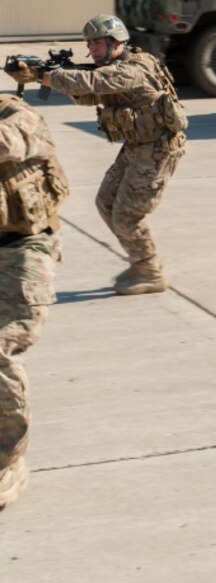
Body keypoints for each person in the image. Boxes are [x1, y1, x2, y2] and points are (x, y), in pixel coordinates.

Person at [13, 14, 187, 295]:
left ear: (115, 42)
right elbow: (90, 94)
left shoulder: (132, 70)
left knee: (127, 215)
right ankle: (141, 262)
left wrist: (41, 75)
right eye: (90, 44)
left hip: (157, 150)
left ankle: (149, 270)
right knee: (106, 202)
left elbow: (92, 83)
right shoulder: (112, 66)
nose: (92, 50)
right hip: (136, 146)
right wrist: (48, 76)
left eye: (97, 43)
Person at [0, 93, 69, 510]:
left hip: (26, 252)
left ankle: (9, 462)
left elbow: (10, 142)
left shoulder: (18, 114)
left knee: (1, 351)